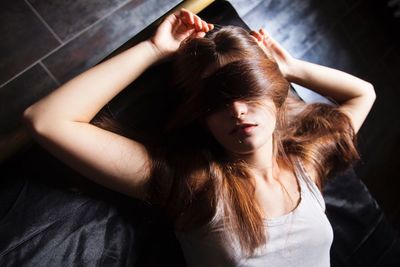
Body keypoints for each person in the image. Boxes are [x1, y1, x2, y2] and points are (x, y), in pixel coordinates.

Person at [22, 7, 376, 267]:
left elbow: (364, 93)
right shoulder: (195, 185)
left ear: (274, 93)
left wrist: (289, 67)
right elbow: (47, 120)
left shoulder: (306, 165)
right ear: (202, 119)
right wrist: (154, 50)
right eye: (216, 101)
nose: (237, 110)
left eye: (247, 90)